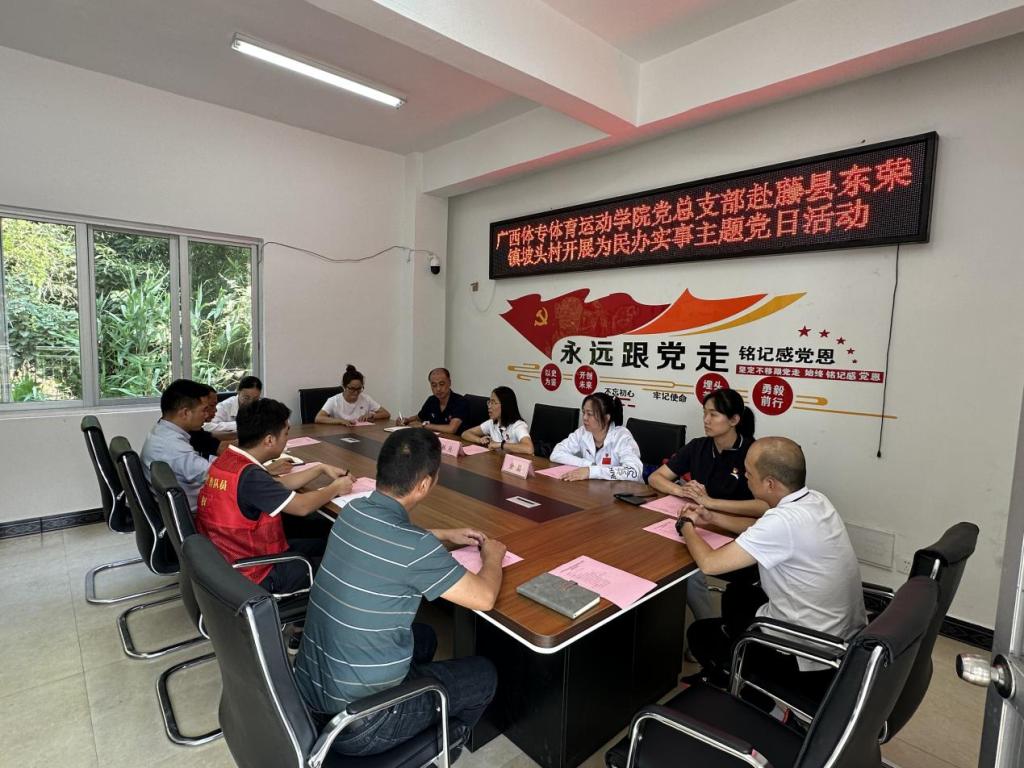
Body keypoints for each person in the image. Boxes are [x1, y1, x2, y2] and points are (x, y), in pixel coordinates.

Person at [294, 428, 505, 760]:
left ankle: (415, 716)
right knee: (484, 675)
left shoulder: (352, 511)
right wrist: (493, 557)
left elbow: (395, 538)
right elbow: (484, 597)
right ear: (424, 485)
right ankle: (434, 751)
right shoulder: (416, 547)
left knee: (425, 637)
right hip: (360, 724)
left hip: (309, 696)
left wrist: (444, 535)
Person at [681, 437, 867, 703]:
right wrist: (712, 518)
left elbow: (710, 563)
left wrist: (686, 525)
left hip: (806, 654)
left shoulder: (782, 521)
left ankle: (758, 698)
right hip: (840, 636)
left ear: (769, 483)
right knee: (737, 594)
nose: (745, 476)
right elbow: (759, 529)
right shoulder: (815, 500)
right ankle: (734, 667)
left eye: (749, 473)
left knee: (700, 635)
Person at [195, 398, 355, 594]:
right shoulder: (251, 476)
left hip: (229, 558)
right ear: (269, 440)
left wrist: (319, 469)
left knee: (327, 545)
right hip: (256, 572)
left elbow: (275, 487)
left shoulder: (230, 460)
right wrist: (335, 488)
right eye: (286, 433)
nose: (287, 438)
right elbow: (301, 507)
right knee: (345, 566)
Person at [647, 388, 767, 620]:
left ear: (734, 420)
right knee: (665, 556)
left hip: (737, 532)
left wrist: (711, 502)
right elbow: (655, 477)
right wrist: (681, 490)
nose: (706, 420)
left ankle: (708, 625)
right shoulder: (699, 446)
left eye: (713, 414)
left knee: (684, 567)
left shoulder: (752, 453)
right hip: (701, 524)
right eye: (704, 413)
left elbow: (764, 506)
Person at [141, 378, 215, 509]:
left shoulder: (161, 430)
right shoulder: (173, 446)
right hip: (195, 512)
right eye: (204, 410)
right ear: (185, 413)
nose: (207, 415)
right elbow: (215, 475)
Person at [549, 392, 642, 481]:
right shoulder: (582, 432)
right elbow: (556, 454)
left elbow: (634, 472)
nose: (584, 418)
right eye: (584, 413)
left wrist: (592, 471)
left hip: (624, 489)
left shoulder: (622, 437)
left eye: (589, 414)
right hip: (594, 486)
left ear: (606, 418)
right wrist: (588, 465)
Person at [462, 386, 534, 455]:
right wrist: (479, 440)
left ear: (505, 405)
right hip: (498, 460)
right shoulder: (492, 422)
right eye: (489, 402)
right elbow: (465, 434)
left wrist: (500, 445)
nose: (489, 406)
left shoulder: (518, 425)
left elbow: (529, 449)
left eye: (493, 403)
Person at [396, 367, 469, 435]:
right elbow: (419, 417)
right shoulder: (432, 400)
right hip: (435, 438)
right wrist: (406, 420)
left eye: (442, 384)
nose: (438, 389)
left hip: (456, 441)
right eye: (434, 385)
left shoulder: (460, 401)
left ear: (449, 382)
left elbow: (451, 429)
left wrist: (424, 426)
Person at [315, 365, 391, 425]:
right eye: (352, 389)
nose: (356, 392)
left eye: (359, 389)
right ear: (344, 386)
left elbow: (386, 414)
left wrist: (372, 415)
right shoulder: (334, 400)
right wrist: (340, 421)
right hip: (340, 434)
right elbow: (318, 418)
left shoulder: (366, 399)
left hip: (361, 432)